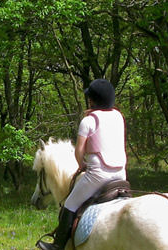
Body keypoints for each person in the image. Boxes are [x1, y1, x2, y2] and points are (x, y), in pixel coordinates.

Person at [36, 79, 127, 250]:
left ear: (93, 100)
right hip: (121, 174)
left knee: (69, 204)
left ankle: (56, 246)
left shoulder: (88, 121)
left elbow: (79, 152)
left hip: (99, 174)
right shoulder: (118, 117)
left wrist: (82, 165)